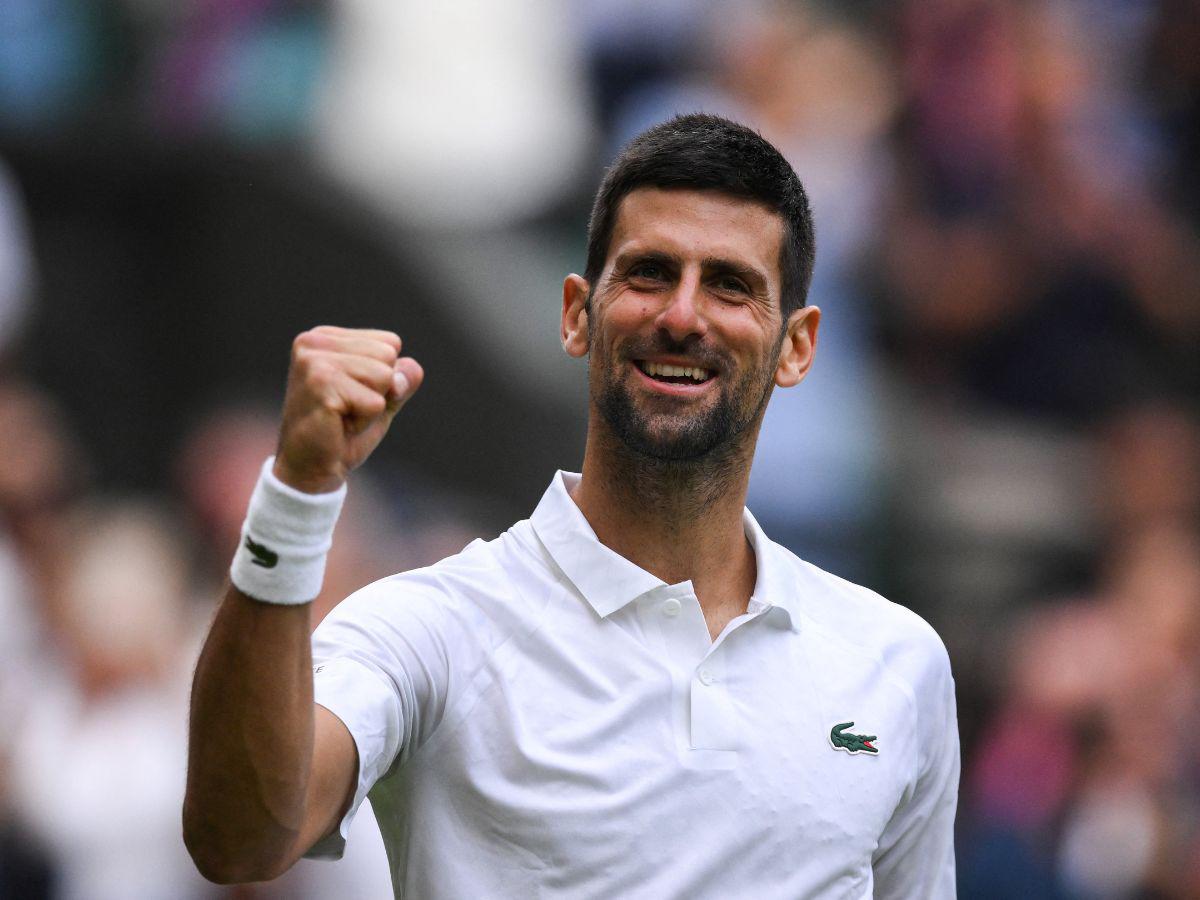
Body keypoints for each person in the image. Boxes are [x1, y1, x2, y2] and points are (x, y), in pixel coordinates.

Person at [183, 114, 959, 898]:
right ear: (575, 314)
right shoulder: (434, 630)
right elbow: (240, 838)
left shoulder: (897, 663)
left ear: (796, 346)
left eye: (729, 285)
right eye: (651, 273)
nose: (682, 316)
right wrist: (297, 495)